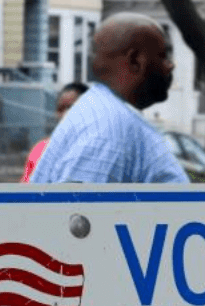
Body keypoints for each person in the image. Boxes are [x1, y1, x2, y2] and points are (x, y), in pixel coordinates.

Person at [28, 13, 187, 186]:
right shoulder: (109, 130)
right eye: (164, 56)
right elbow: (78, 210)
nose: (171, 65)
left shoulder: (106, 115)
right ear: (135, 60)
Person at [21, 81, 88, 182]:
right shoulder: (40, 149)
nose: (65, 114)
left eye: (71, 108)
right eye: (60, 109)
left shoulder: (94, 149)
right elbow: (24, 189)